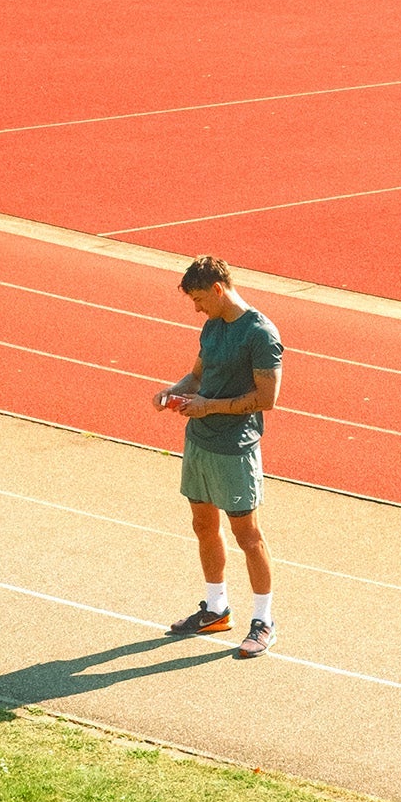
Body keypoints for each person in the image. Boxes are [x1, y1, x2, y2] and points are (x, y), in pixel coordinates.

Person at [152, 256, 283, 658]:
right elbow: (197, 376)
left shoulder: (260, 334)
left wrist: (209, 407)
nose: (196, 308)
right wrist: (170, 391)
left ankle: (264, 621)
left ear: (217, 290)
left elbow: (267, 399)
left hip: (234, 449)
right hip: (200, 443)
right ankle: (216, 608)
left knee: (248, 536)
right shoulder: (211, 326)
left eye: (198, 299)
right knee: (203, 526)